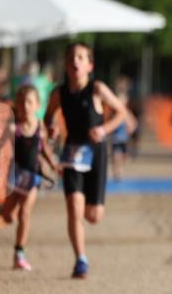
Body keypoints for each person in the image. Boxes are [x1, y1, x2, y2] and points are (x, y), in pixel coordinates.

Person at [44, 42, 130, 279]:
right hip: (72, 153)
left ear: (89, 65)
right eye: (71, 57)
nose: (75, 61)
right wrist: (51, 128)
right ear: (65, 64)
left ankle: (88, 215)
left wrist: (103, 129)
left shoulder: (97, 89)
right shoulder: (58, 93)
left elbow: (122, 113)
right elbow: (48, 117)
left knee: (93, 216)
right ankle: (80, 259)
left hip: (96, 153)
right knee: (74, 210)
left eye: (81, 57)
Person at [0, 85, 58, 270]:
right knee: (9, 216)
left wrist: (53, 166)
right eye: (22, 102)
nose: (26, 106)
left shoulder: (40, 125)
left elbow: (44, 149)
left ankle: (19, 254)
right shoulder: (13, 128)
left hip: (33, 176)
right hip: (15, 176)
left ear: (37, 105)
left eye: (29, 102)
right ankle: (2, 209)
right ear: (17, 105)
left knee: (24, 213)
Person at [109, 89, 138, 182]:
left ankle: (120, 171)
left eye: (122, 100)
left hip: (124, 140)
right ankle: (116, 173)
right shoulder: (113, 112)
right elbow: (109, 124)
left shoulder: (127, 113)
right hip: (115, 139)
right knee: (115, 157)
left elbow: (134, 123)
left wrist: (130, 129)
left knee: (122, 158)